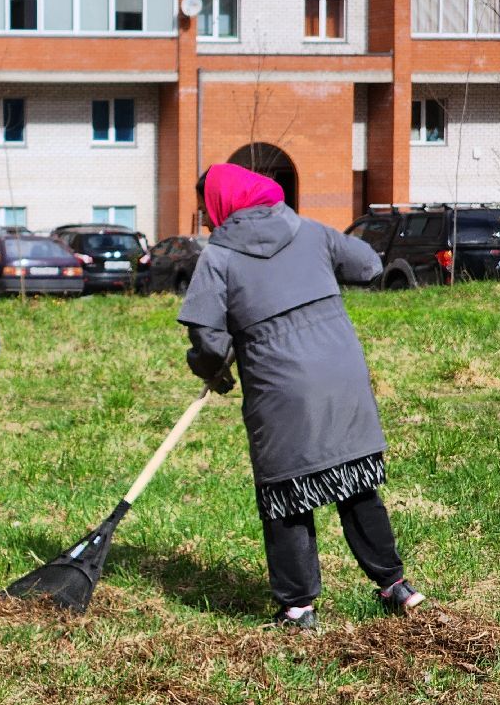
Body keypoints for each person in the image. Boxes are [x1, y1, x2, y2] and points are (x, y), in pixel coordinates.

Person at [178, 163, 426, 630]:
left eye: (206, 210)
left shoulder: (219, 257)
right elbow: (369, 265)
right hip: (342, 374)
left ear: (221, 206)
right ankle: (396, 586)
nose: (209, 221)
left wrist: (214, 371)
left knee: (287, 495)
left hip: (280, 388)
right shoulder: (310, 230)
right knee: (355, 485)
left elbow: (207, 337)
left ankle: (297, 608)